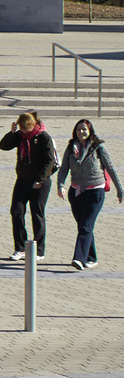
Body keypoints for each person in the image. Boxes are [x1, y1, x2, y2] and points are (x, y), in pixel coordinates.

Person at [57, 116, 117, 271]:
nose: (81, 132)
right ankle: (91, 258)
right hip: (76, 193)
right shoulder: (71, 148)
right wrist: (60, 185)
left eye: (84, 129)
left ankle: (79, 258)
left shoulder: (98, 147)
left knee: (85, 226)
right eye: (78, 129)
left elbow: (110, 168)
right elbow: (64, 169)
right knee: (84, 226)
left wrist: (120, 190)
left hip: (95, 193)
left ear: (90, 131)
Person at [0, 110, 57, 260]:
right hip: (22, 179)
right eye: (21, 127)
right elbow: (3, 146)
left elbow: (49, 161)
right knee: (16, 211)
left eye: (25, 128)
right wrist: (12, 133)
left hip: (40, 182)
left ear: (32, 124)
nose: (23, 130)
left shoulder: (43, 137)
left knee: (37, 214)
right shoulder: (20, 136)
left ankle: (38, 250)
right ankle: (20, 248)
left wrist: (41, 179)